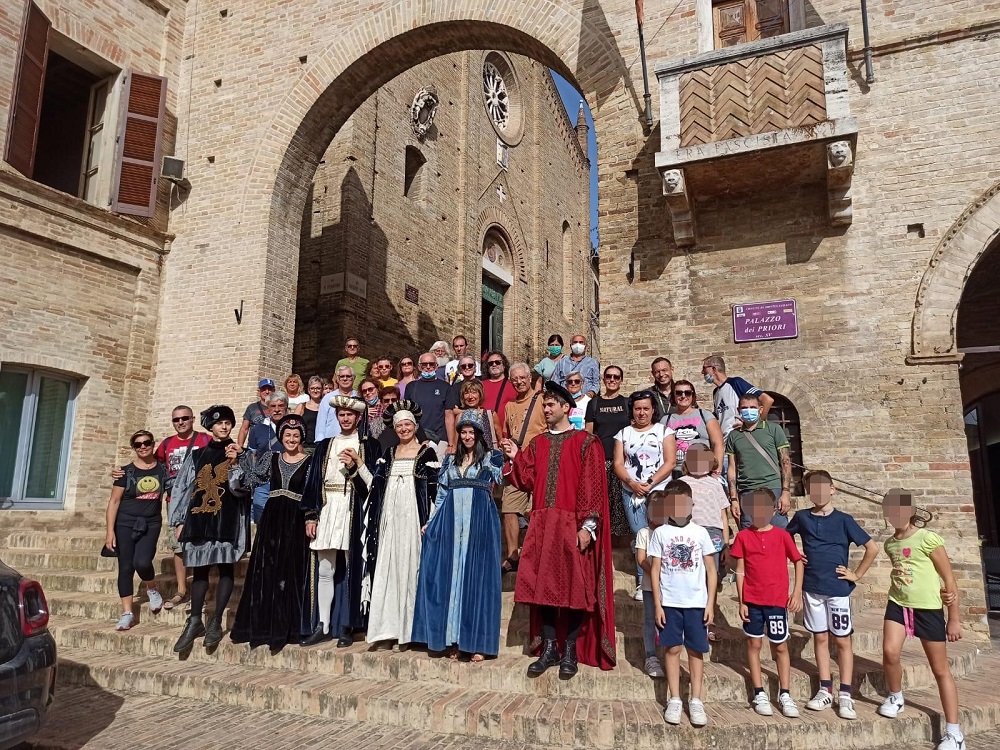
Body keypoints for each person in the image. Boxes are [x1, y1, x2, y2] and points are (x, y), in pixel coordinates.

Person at [500, 381, 616, 676]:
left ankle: (571, 651)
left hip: (571, 524)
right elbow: (526, 480)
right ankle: (550, 649)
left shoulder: (586, 442)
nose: (546, 409)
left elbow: (591, 485)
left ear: (566, 407)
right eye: (544, 405)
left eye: (550, 404)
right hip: (542, 525)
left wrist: (587, 526)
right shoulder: (537, 443)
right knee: (544, 588)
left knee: (576, 588)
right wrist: (514, 456)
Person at [412, 411, 504, 661]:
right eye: (463, 432)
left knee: (477, 579)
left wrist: (509, 455)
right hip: (451, 524)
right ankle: (454, 639)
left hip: (480, 523)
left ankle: (477, 643)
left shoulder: (490, 458)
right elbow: (442, 495)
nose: (467, 436)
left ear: (479, 434)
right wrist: (431, 522)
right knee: (453, 578)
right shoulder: (450, 461)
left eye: (471, 432)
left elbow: (504, 480)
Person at [787, 470, 879, 720]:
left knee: (842, 641)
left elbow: (872, 548)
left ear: (832, 489)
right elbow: (785, 537)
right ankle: (825, 689)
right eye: (812, 487)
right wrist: (795, 554)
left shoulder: (844, 520)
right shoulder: (802, 517)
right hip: (812, 588)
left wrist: (856, 575)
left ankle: (846, 694)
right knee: (820, 638)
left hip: (838, 589)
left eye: (821, 486)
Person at [879, 488, 965, 750]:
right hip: (897, 604)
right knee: (889, 652)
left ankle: (954, 734)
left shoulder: (928, 539)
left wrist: (954, 618)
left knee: (940, 669)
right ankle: (896, 697)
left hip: (928, 609)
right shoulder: (890, 543)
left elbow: (949, 579)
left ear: (911, 510)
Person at [300, 395, 384, 647]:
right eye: (341, 414)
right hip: (328, 507)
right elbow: (313, 481)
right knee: (325, 569)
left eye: (350, 415)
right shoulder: (325, 445)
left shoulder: (370, 445)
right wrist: (311, 515)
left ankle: (348, 624)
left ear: (358, 418)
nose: (345, 418)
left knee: (350, 568)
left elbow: (373, 486)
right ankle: (323, 624)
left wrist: (355, 466)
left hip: (352, 509)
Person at [169, 405, 253, 652]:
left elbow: (242, 488)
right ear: (211, 427)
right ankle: (195, 621)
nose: (224, 426)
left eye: (228, 422)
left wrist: (236, 462)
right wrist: (178, 520)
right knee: (200, 571)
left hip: (227, 519)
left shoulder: (242, 453)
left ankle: (216, 621)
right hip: (199, 518)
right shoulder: (197, 455)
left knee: (226, 568)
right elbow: (182, 487)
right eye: (219, 423)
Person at [230, 415, 314, 650]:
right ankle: (262, 626)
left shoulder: (310, 462)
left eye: (295, 436)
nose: (291, 439)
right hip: (272, 518)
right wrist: (242, 457)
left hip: (296, 519)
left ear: (301, 438)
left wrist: (311, 516)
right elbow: (254, 478)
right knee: (266, 569)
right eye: (287, 435)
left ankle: (288, 627)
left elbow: (312, 491)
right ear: (281, 436)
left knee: (292, 571)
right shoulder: (272, 457)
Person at [366, 407, 440, 649]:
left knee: (410, 568)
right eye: (399, 425)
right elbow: (375, 485)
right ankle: (388, 629)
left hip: (413, 520)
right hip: (390, 519)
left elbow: (435, 490)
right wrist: (358, 465)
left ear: (415, 426)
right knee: (389, 569)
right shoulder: (388, 453)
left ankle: (409, 631)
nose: (404, 429)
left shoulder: (426, 453)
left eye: (407, 424)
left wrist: (431, 520)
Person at [729, 488, 804, 718]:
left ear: (773, 511)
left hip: (776, 601)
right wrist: (742, 601)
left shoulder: (782, 535)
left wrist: (796, 593)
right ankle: (759, 692)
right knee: (754, 644)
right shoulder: (743, 536)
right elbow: (740, 571)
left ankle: (785, 693)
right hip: (752, 601)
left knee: (780, 646)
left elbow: (798, 561)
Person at [648, 483, 718, 727]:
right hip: (670, 602)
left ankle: (696, 700)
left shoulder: (700, 533)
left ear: (691, 505)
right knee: (672, 649)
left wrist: (710, 603)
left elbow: (711, 570)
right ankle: (675, 698)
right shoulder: (660, 533)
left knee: (696, 651)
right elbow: (655, 571)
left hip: (697, 603)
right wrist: (658, 605)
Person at [104, 430, 170, 631]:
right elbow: (114, 501)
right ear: (134, 447)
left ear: (153, 444)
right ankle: (127, 613)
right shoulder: (125, 472)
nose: (143, 447)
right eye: (138, 444)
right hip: (125, 523)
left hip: (151, 522)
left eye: (146, 443)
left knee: (142, 562)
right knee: (125, 567)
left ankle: (152, 587)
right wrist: (109, 532)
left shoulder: (163, 469)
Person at [614, 390, 676, 598]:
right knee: (640, 534)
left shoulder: (664, 431)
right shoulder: (623, 433)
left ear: (653, 410)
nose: (642, 413)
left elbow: (670, 462)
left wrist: (650, 483)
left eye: (646, 409)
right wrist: (632, 483)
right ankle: (644, 581)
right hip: (631, 492)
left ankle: (664, 577)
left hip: (658, 490)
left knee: (660, 533)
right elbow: (618, 464)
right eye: (638, 408)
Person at [153, 405, 211, 610]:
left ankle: (200, 592)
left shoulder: (204, 439)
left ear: (193, 419)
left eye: (184, 418)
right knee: (178, 546)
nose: (180, 422)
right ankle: (181, 589)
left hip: (199, 500)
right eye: (176, 419)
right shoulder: (166, 444)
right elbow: (153, 465)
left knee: (200, 544)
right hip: (175, 501)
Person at [499, 363, 547, 574]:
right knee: (509, 507)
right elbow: (508, 433)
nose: (519, 382)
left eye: (522, 378)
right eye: (515, 379)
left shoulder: (542, 400)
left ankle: (537, 553)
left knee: (536, 510)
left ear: (529, 378)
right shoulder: (509, 406)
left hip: (539, 462)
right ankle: (513, 555)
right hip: (517, 463)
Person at [726, 393, 793, 529]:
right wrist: (733, 499)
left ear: (760, 409)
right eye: (744, 408)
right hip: (747, 491)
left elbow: (785, 461)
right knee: (750, 534)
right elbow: (732, 468)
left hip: (772, 489)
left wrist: (786, 491)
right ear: (739, 410)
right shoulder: (734, 435)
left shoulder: (773, 429)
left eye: (752, 407)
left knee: (778, 532)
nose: (748, 410)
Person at [678, 443, 731, 593]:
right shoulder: (681, 483)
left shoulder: (716, 484)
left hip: (713, 533)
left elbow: (723, 516)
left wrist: (726, 544)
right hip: (688, 532)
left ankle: (710, 603)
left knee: (712, 572)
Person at [585, 365, 631, 536]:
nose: (612, 380)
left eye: (616, 377)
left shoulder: (627, 403)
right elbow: (589, 434)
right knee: (602, 498)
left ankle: (621, 538)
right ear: (603, 379)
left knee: (621, 499)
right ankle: (603, 536)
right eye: (609, 376)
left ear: (621, 380)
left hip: (623, 459)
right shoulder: (594, 403)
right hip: (601, 458)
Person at [701, 355, 773, 439]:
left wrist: (756, 427)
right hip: (726, 441)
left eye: (704, 368)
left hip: (741, 438)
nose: (702, 372)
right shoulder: (716, 393)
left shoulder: (735, 383)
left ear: (714, 369)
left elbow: (767, 400)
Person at [664, 380, 724, 479]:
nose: (683, 396)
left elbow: (718, 444)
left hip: (702, 471)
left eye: (687, 393)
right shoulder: (666, 420)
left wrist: (716, 471)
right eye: (679, 393)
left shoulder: (705, 415)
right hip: (675, 472)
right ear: (673, 396)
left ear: (693, 396)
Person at [633, 496, 664, 678]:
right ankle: (651, 655)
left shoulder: (669, 533)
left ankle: (667, 653)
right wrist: (655, 572)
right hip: (649, 586)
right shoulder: (643, 533)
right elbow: (641, 559)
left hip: (669, 588)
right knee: (650, 619)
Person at [247, 392, 288, 524]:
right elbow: (251, 456)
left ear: (286, 407)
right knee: (261, 521)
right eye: (273, 406)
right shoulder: (257, 430)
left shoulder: (294, 428)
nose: (277, 409)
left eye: (280, 406)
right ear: (268, 409)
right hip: (263, 483)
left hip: (286, 482)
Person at [405, 352, 450, 453]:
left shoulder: (445, 387)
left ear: (436, 366)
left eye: (431, 364)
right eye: (424, 364)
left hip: (440, 439)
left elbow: (449, 415)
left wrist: (450, 442)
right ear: (419, 367)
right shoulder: (411, 387)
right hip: (416, 438)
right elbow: (408, 414)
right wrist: (421, 438)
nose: (428, 367)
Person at [445, 378, 501, 452]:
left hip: (489, 456)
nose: (470, 397)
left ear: (480, 394)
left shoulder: (490, 415)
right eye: (466, 393)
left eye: (474, 392)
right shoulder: (460, 417)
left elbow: (500, 440)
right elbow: (455, 446)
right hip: (467, 457)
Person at [315, 366, 359, 441]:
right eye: (342, 376)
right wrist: (320, 443)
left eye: (348, 376)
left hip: (354, 441)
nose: (345, 379)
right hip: (331, 442)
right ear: (337, 379)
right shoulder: (328, 398)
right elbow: (321, 424)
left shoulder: (359, 397)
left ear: (353, 378)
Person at [237, 378, 275, 447]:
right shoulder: (252, 408)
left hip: (273, 446)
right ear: (259, 391)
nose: (267, 392)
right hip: (254, 447)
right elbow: (244, 429)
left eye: (269, 389)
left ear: (274, 391)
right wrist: (240, 447)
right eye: (264, 389)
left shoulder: (279, 408)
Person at [481, 350, 517, 417]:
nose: (494, 365)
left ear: (504, 365)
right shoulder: (481, 385)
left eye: (497, 362)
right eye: (490, 363)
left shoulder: (513, 384)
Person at [300, 376, 324, 450]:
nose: (315, 391)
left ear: (322, 389)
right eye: (312, 388)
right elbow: (294, 426)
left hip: (321, 447)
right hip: (305, 447)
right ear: (308, 390)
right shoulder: (302, 406)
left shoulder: (326, 407)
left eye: (318, 388)